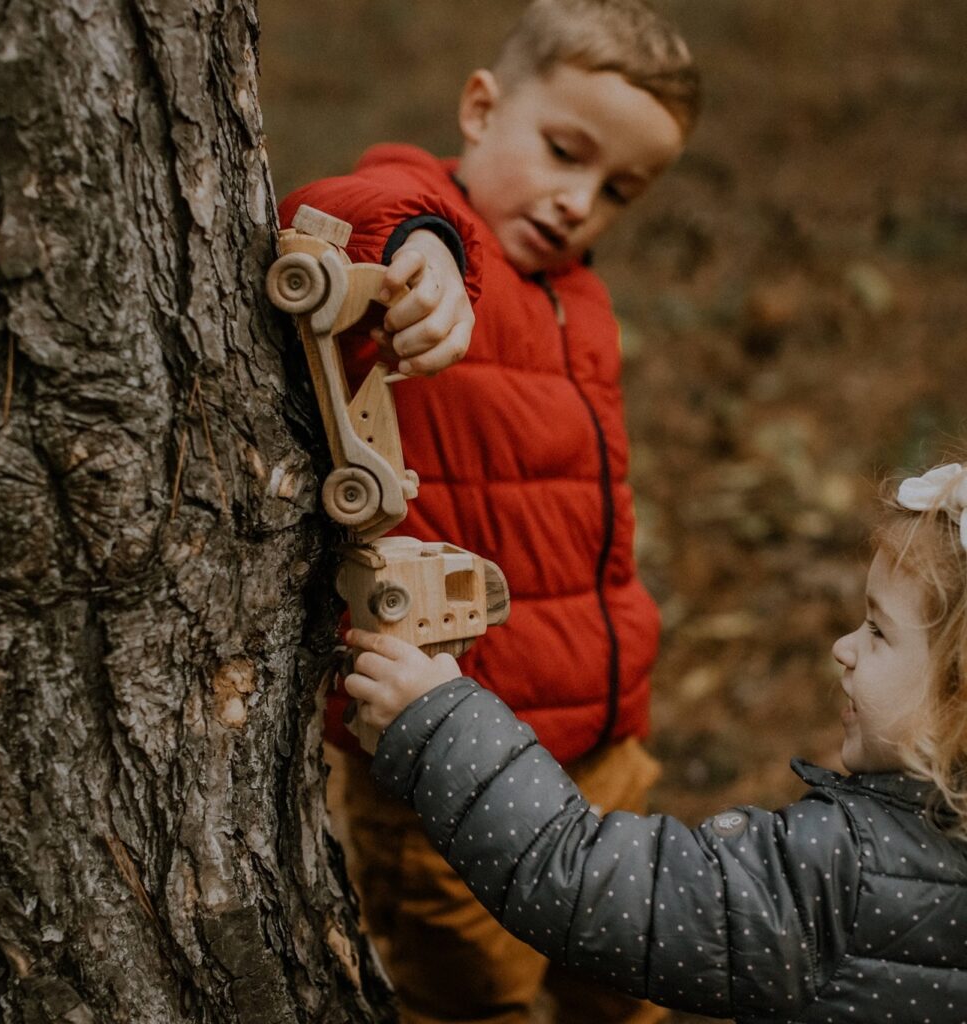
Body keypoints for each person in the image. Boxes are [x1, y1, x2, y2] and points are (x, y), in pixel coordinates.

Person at [278, 2, 700, 1022]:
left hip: (599, 748)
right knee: (476, 997)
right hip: (437, 765)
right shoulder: (438, 233)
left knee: (632, 976)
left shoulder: (579, 301)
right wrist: (418, 255)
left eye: (617, 191)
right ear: (481, 106)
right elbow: (349, 202)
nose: (577, 202)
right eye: (563, 151)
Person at [344, 459, 967, 1022]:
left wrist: (441, 725)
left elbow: (585, 883)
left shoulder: (842, 874)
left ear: (957, 696)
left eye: (878, 631)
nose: (845, 647)